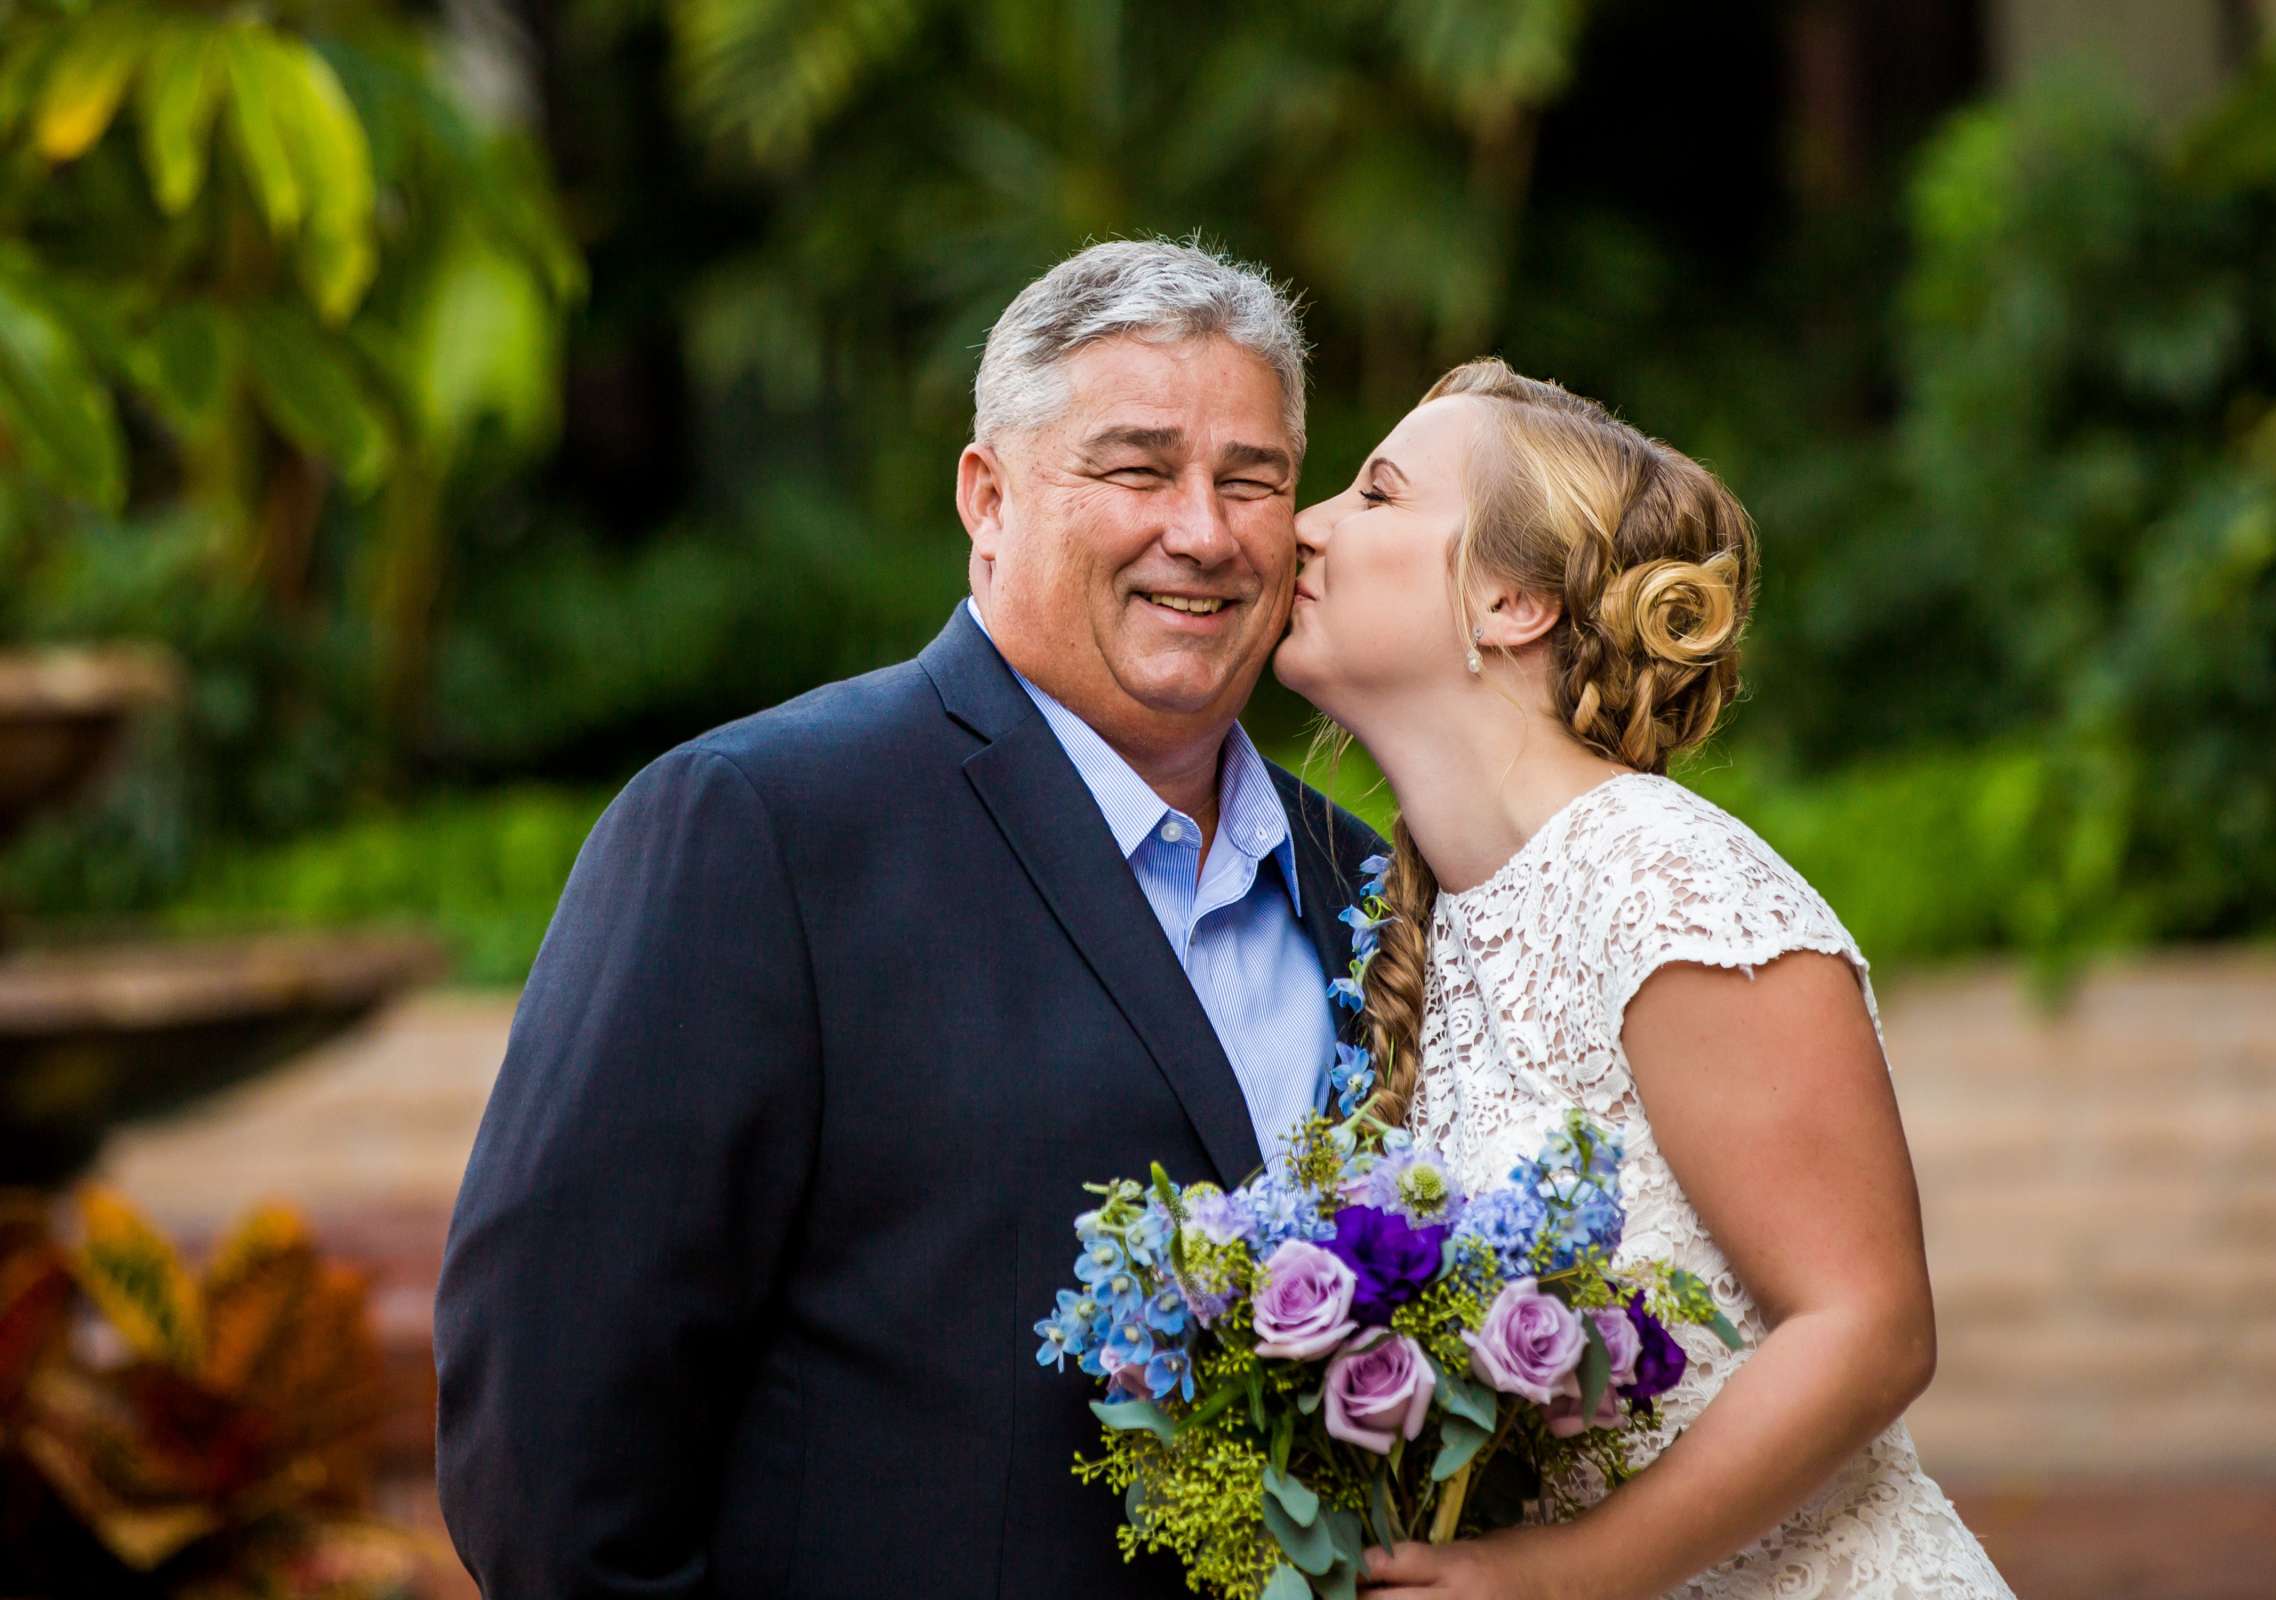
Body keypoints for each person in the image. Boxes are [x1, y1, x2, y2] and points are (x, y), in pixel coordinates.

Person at [433, 239, 1383, 1599]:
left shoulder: (1365, 890)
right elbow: (552, 1426)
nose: (1207, 531)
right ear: (987, 498)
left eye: (1254, 479)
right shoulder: (759, 827)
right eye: (1136, 469)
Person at [1273, 359, 2015, 1599]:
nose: (1308, 522)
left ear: (1510, 599)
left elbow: (1868, 1325)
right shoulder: (1430, 924)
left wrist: (1566, 1573)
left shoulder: (1664, 881)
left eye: (1376, 494)